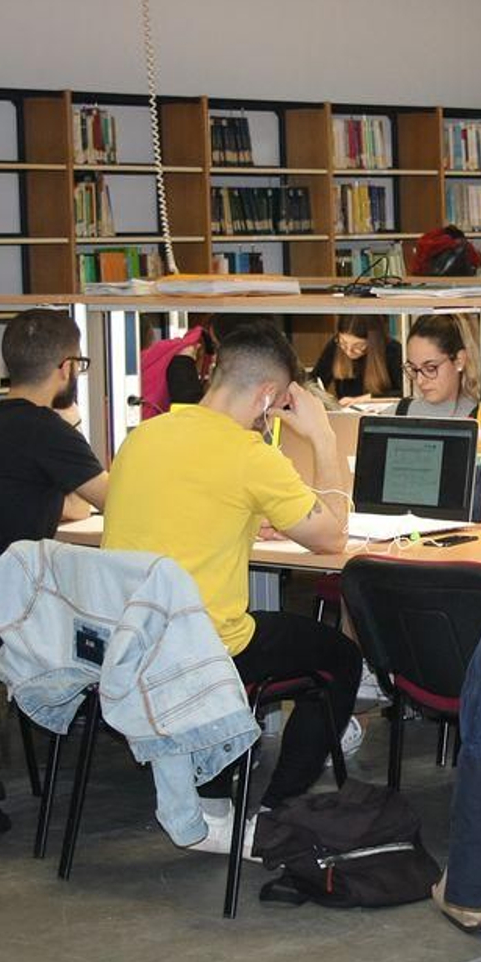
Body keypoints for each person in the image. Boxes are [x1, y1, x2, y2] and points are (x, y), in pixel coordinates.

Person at [101, 317, 361, 854]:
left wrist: (247, 516)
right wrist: (321, 438)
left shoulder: (143, 435)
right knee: (339, 656)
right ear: (270, 395)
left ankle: (220, 790)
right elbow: (333, 537)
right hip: (206, 650)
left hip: (130, 640)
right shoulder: (250, 456)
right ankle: (277, 804)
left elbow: (188, 509)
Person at [0, 308, 109, 554]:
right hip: (7, 584)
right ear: (67, 368)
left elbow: (76, 507)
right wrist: (74, 425)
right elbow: (115, 501)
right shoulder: (47, 431)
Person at [395, 313, 479, 418]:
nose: (420, 381)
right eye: (413, 369)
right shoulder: (397, 414)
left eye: (430, 368)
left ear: (459, 360)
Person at [309, 315, 401, 401]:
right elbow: (314, 381)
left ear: (373, 342)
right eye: (343, 343)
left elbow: (406, 392)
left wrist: (370, 398)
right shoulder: (334, 346)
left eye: (358, 346)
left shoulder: (392, 351)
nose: (349, 351)